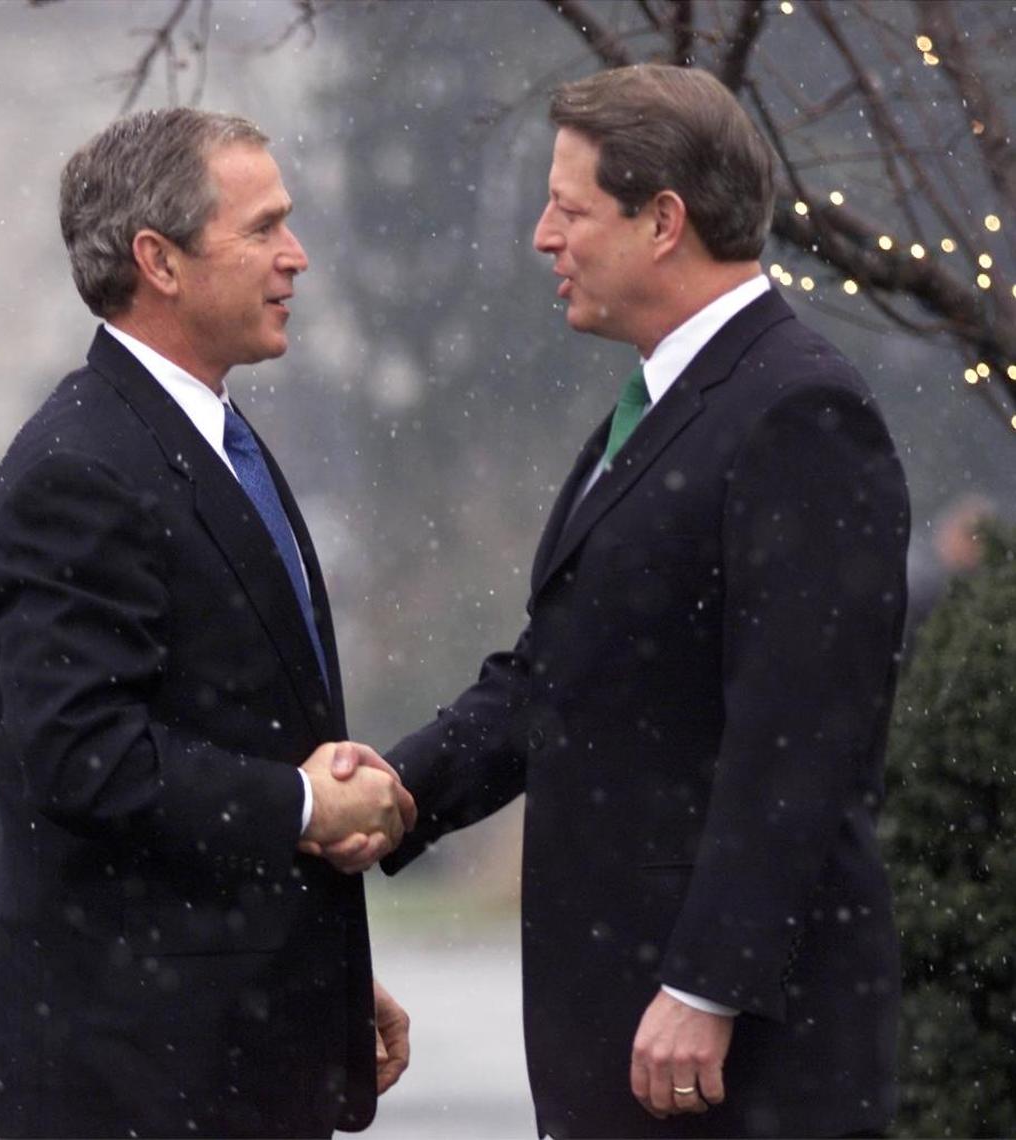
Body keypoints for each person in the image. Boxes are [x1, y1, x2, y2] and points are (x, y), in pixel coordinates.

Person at [376, 65, 910, 1138]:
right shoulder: (663, 404)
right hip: (634, 1030)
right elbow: (560, 674)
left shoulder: (798, 409)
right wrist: (394, 792)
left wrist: (711, 983)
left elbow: (803, 733)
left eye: (567, 210)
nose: (542, 238)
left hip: (732, 1057)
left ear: (663, 221)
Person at [0, 108, 415, 1138]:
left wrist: (318, 980)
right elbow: (86, 760)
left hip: (214, 1058)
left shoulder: (200, 435)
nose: (296, 256)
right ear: (158, 261)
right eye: (263, 228)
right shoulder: (81, 470)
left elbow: (225, 720)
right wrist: (305, 804)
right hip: (129, 1084)